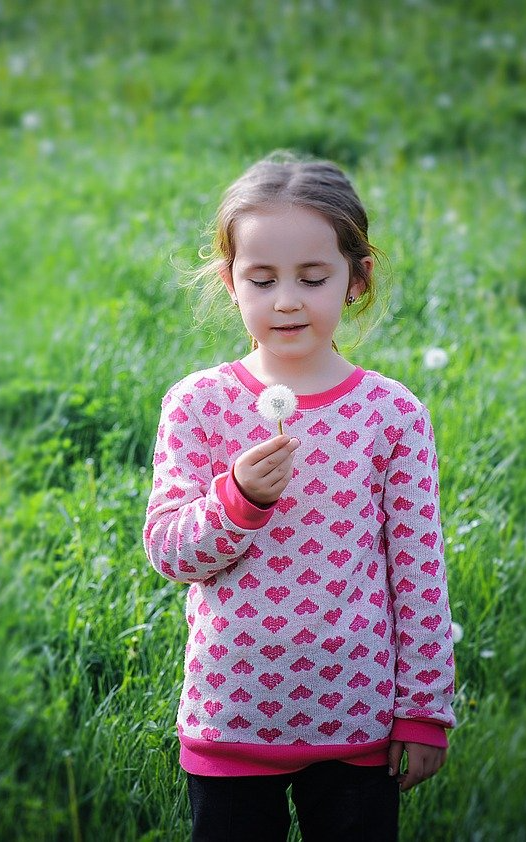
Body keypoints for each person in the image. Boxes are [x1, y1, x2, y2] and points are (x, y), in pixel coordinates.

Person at [143, 152, 456, 841]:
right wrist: (238, 501)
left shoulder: (391, 415)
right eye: (262, 279)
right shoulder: (199, 404)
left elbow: (420, 572)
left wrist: (424, 711)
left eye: (312, 277)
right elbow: (170, 552)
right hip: (231, 718)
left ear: (356, 279)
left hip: (358, 723)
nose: (286, 300)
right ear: (230, 283)